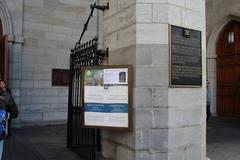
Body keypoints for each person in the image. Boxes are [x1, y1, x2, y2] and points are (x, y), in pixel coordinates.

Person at [0, 80, 19, 159]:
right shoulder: (6, 96)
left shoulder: (7, 94)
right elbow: (15, 113)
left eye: (3, 83)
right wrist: (8, 115)